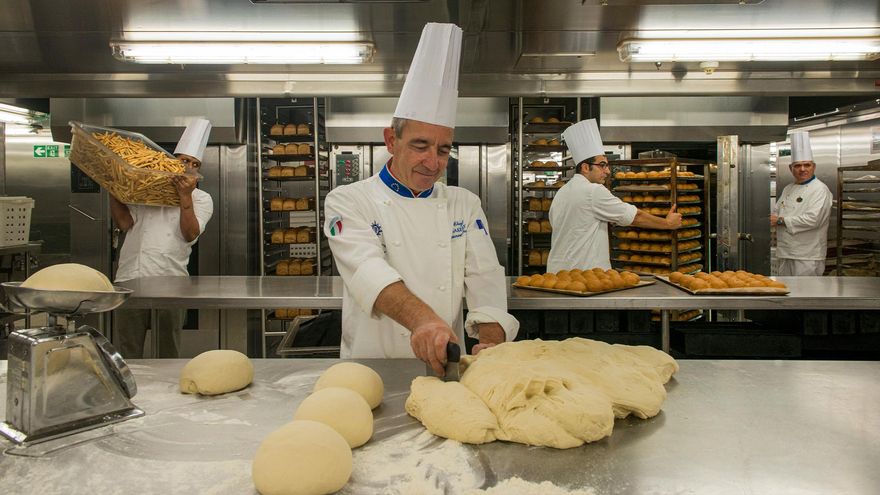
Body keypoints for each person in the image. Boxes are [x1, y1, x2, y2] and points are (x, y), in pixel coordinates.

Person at [323, 23, 518, 375]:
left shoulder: (464, 203)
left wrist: (491, 335)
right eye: (420, 146)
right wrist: (425, 321)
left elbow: (484, 277)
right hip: (371, 366)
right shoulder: (349, 200)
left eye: (443, 150)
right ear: (391, 140)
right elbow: (368, 270)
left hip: (444, 363)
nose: (433, 163)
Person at [112, 118, 214, 358]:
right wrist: (113, 190)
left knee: (167, 351)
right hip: (130, 277)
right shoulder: (145, 189)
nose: (188, 166)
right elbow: (125, 223)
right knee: (128, 350)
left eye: (194, 163)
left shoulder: (202, 198)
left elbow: (190, 234)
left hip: (171, 281)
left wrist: (184, 196)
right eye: (183, 160)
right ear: (171, 161)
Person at [547, 119, 683, 272]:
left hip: (557, 274)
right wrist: (667, 224)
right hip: (585, 274)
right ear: (585, 167)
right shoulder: (593, 191)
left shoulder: (563, 192)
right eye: (602, 165)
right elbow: (635, 217)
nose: (607, 171)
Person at [771, 131, 832, 276]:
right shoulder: (788, 189)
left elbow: (814, 219)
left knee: (805, 294)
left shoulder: (820, 189)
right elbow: (776, 211)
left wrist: (779, 220)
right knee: (786, 292)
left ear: (814, 167)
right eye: (798, 166)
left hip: (807, 255)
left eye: (807, 165)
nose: (802, 169)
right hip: (786, 252)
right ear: (790, 168)